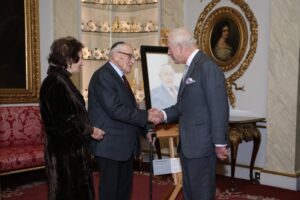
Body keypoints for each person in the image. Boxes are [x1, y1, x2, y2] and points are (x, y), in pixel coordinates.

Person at [152, 27, 229, 200]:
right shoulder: (190, 67)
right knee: (191, 194)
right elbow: (183, 106)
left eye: (170, 48)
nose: (169, 53)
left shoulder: (206, 66)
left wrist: (219, 143)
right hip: (189, 147)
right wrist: (162, 114)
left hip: (202, 146)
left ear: (180, 47)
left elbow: (219, 107)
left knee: (201, 194)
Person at [88, 41, 159, 200]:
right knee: (111, 192)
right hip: (110, 145)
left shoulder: (119, 78)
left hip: (123, 146)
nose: (133, 61)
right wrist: (146, 116)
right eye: (130, 57)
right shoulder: (103, 76)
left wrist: (146, 129)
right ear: (117, 56)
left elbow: (130, 109)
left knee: (123, 191)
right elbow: (115, 110)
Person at [39, 36, 105, 200]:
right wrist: (91, 130)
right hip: (64, 155)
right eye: (80, 58)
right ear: (68, 59)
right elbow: (65, 123)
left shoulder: (61, 80)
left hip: (71, 152)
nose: (82, 62)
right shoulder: (54, 83)